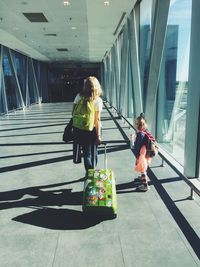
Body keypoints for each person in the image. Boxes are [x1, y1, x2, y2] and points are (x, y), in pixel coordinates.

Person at [72, 76, 103, 176]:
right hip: (91, 130)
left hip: (79, 129)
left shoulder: (79, 96)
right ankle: (91, 173)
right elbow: (97, 120)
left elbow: (73, 112)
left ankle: (88, 172)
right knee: (93, 153)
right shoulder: (97, 100)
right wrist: (98, 136)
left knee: (86, 154)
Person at [133, 113, 151, 192]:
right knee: (143, 167)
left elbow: (137, 146)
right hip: (145, 154)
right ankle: (142, 178)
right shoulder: (145, 132)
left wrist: (136, 155)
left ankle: (145, 185)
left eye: (138, 124)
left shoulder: (140, 134)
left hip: (141, 154)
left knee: (143, 169)